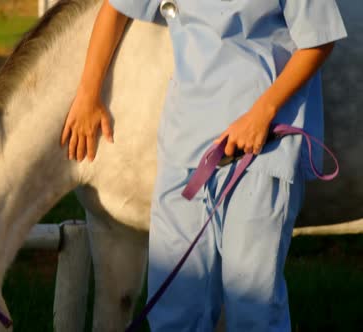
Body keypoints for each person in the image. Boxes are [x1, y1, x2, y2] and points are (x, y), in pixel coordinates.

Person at [60, 0, 347, 331]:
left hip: (260, 150)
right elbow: (114, 7)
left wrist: (261, 113)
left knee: (252, 309)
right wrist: (87, 93)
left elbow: (319, 38)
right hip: (184, 150)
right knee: (175, 309)